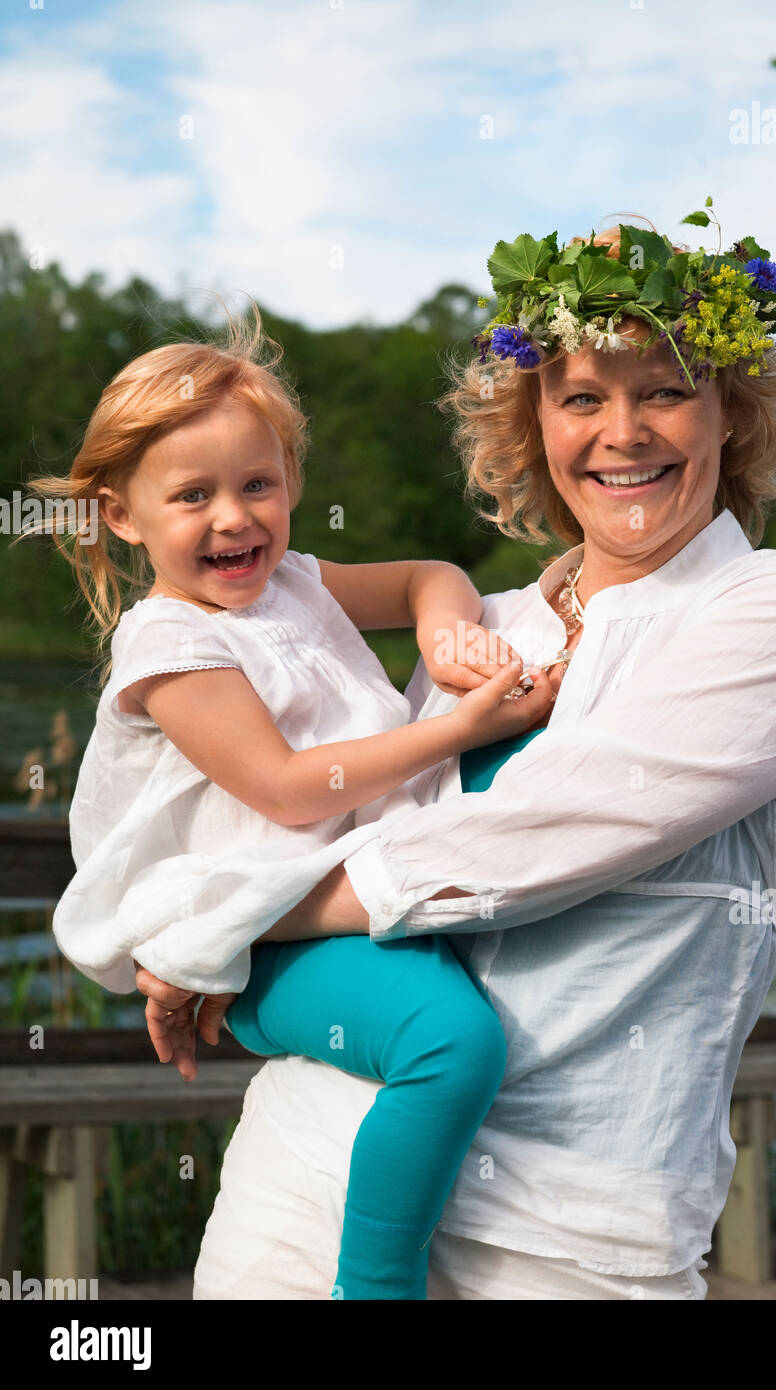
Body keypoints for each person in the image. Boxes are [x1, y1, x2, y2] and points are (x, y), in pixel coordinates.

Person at [138, 209, 776, 1301]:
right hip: (309, 1171)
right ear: (536, 421)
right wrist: (221, 922)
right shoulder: (490, 624)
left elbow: (519, 846)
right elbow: (341, 816)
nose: (623, 432)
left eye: (664, 389)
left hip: (569, 1233)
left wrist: (213, 923)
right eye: (581, 396)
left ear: (733, 412)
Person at [34, 311, 561, 1300]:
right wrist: (461, 726)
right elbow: (281, 787)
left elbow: (426, 576)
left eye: (257, 485)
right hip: (265, 937)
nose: (234, 519)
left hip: (335, 891)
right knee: (453, 1044)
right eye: (192, 495)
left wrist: (446, 641)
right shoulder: (169, 645)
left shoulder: (297, 585)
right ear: (120, 514)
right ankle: (378, 1286)